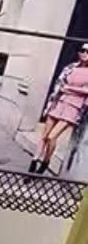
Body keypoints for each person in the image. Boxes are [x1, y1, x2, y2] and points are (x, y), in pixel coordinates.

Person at [31, 43, 88, 174]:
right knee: (44, 136)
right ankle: (33, 163)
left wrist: (69, 88)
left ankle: (45, 162)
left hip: (73, 108)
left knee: (51, 137)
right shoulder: (70, 67)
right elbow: (60, 85)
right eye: (83, 50)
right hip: (59, 103)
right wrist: (68, 90)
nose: (85, 53)